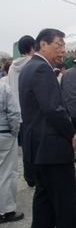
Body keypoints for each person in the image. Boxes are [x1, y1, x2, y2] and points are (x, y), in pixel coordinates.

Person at [19, 28, 76, 227]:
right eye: (59, 44)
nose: (63, 50)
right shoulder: (41, 68)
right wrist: (71, 132)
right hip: (52, 148)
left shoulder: (28, 67)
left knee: (44, 200)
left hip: (38, 147)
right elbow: (53, 108)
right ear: (43, 44)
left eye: (64, 45)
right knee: (66, 204)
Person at [8, 35, 36, 187]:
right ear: (32, 47)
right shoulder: (32, 64)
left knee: (26, 148)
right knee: (35, 146)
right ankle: (35, 176)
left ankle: (29, 176)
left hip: (16, 112)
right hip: (30, 112)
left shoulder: (12, 66)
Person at [0, 82, 23, 224]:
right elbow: (14, 113)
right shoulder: (3, 87)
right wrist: (15, 132)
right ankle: (5, 209)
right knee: (6, 173)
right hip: (4, 134)